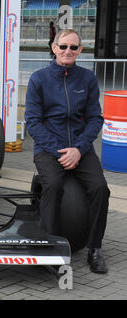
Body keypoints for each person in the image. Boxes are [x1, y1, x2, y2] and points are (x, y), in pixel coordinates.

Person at [25, 29, 110, 274]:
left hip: (81, 148)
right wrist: (59, 150)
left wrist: (79, 150)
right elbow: (32, 122)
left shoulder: (88, 79)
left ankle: (95, 249)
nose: (68, 52)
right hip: (48, 148)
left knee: (100, 188)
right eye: (63, 47)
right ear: (54, 48)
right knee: (53, 186)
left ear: (80, 50)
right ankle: (50, 246)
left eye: (74, 47)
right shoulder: (38, 79)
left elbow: (95, 118)